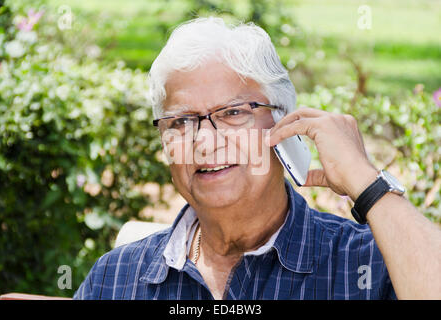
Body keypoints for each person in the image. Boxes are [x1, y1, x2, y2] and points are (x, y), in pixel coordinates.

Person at [74, 17, 441, 300]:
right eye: (182, 121)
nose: (204, 140)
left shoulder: (370, 265)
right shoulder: (114, 277)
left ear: (284, 124)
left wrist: (367, 183)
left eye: (233, 113)